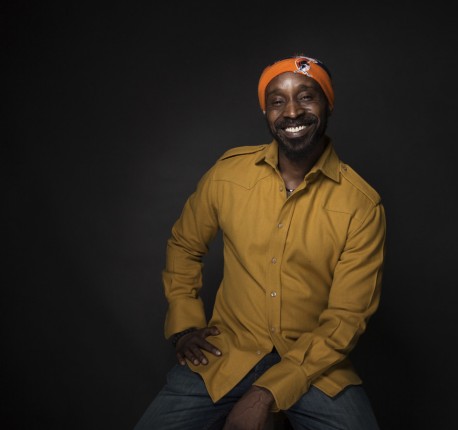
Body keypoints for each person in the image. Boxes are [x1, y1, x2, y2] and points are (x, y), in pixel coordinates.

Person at [134, 54, 386, 430]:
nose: (292, 111)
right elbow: (185, 245)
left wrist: (266, 393)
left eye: (307, 96)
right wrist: (184, 325)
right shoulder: (228, 174)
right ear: (265, 112)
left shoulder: (361, 204)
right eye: (277, 101)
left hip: (313, 365)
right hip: (225, 352)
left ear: (328, 104)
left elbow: (346, 319)